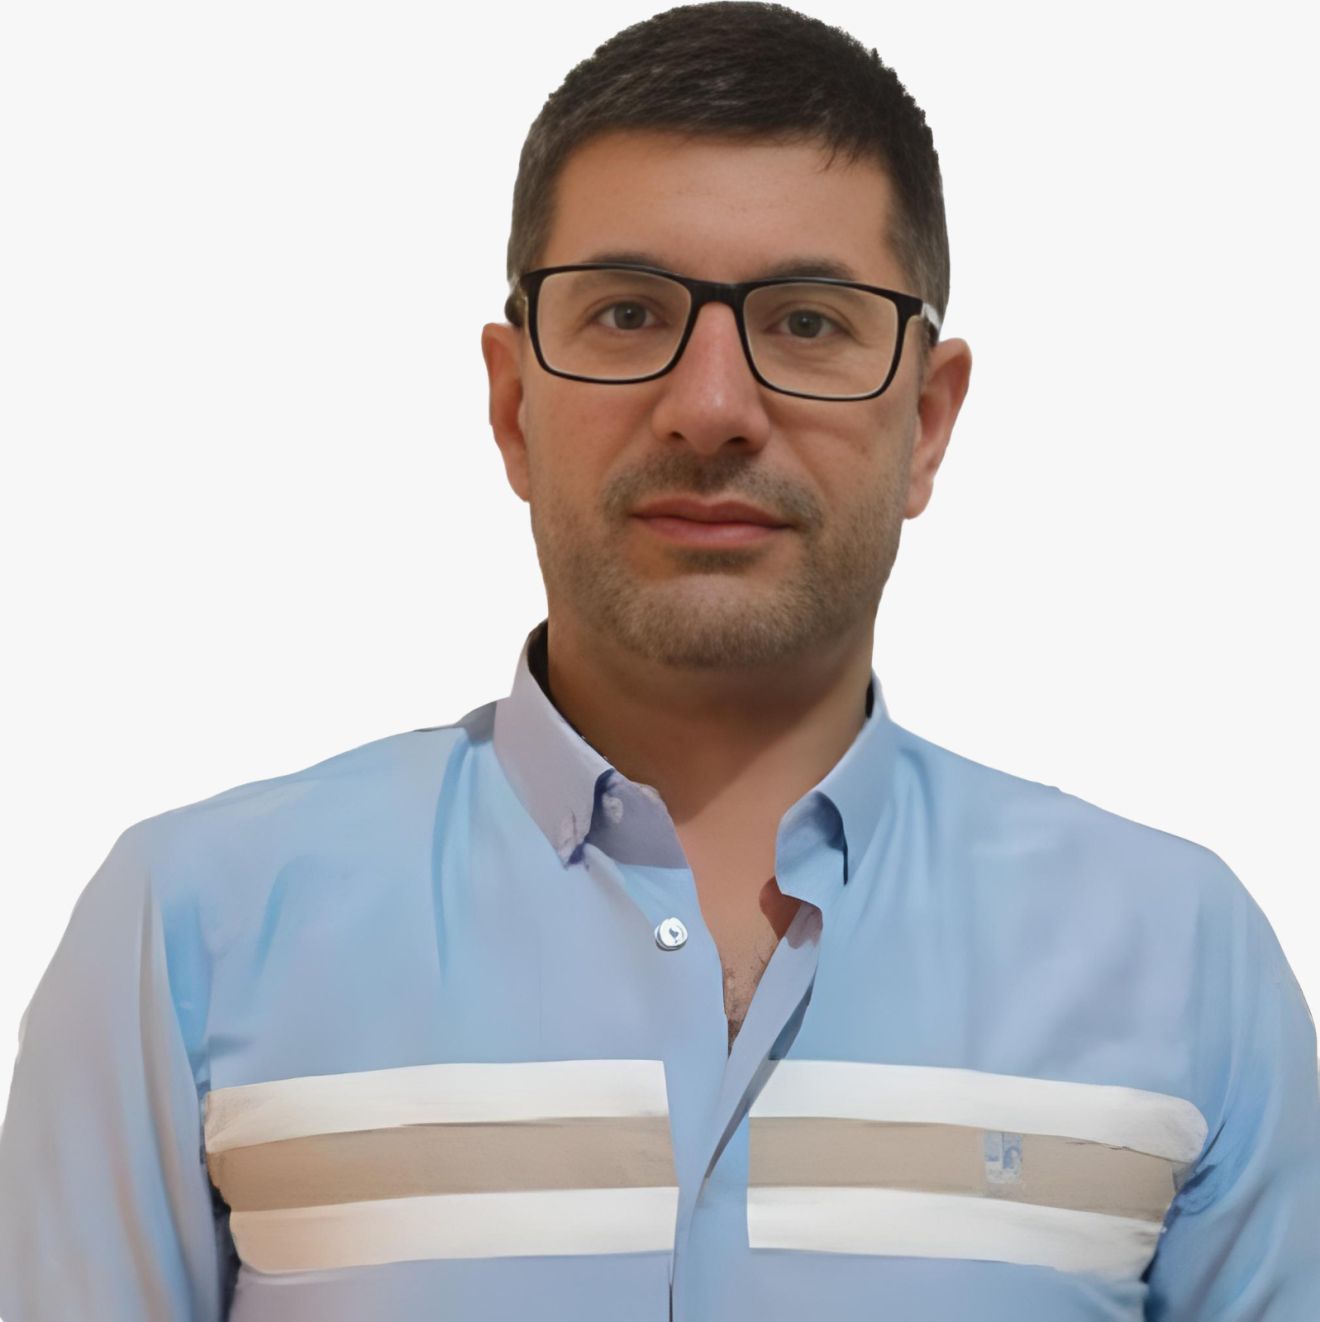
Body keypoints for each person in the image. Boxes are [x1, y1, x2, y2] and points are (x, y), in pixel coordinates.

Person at [2, 1, 1317, 1317]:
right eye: (629, 313)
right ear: (513, 405)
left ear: (927, 420)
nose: (711, 408)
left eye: (808, 322)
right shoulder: (191, 933)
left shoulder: (1181, 958)